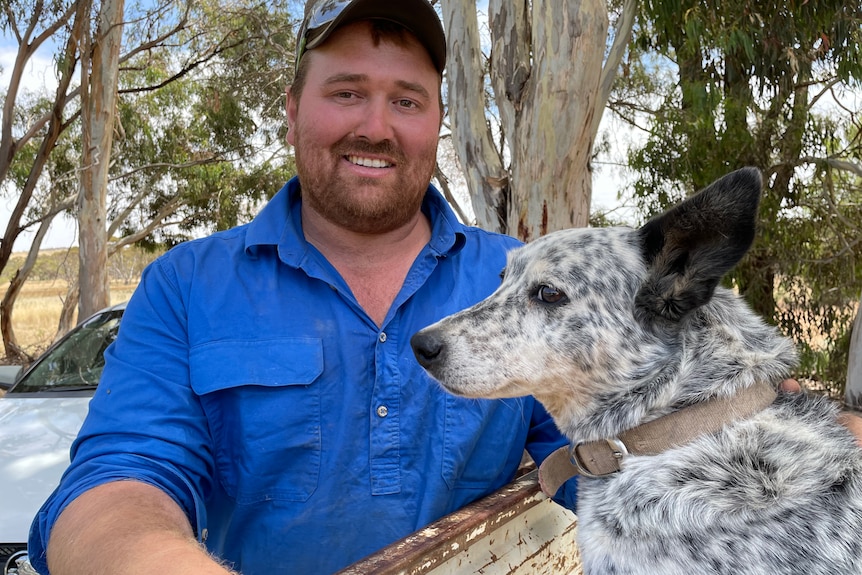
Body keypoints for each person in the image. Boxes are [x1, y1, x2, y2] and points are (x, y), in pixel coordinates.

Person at [28, 1, 576, 574]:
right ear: (291, 112)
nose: (375, 127)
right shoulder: (186, 286)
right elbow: (117, 485)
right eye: (346, 92)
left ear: (438, 121)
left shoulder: (520, 278)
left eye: (407, 101)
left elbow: (602, 457)